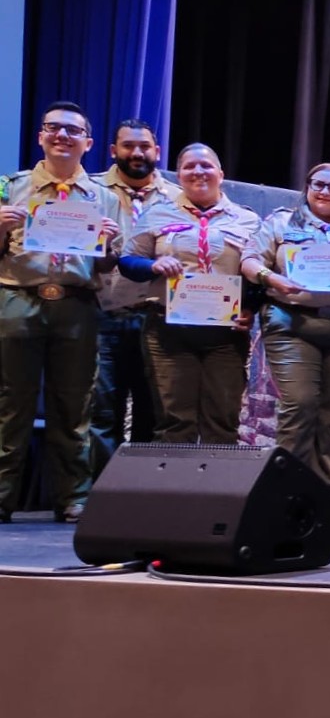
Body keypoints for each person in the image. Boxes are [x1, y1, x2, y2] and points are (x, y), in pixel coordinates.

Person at [0, 102, 125, 523]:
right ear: (41, 137)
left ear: (88, 143)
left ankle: (74, 497)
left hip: (76, 304)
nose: (62, 135)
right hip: (17, 298)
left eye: (73, 131)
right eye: (53, 127)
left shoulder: (104, 198)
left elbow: (106, 265)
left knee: (74, 406)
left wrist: (106, 243)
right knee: (9, 403)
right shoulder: (8, 186)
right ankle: (1, 496)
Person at [118, 143, 260, 446]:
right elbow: (128, 262)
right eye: (189, 166)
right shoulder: (158, 213)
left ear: (221, 174)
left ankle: (217, 479)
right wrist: (153, 265)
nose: (198, 171)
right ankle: (172, 479)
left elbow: (259, 272)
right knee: (174, 423)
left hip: (225, 335)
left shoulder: (246, 219)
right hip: (169, 331)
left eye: (206, 165)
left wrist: (250, 308)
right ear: (179, 175)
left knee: (221, 423)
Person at [241, 162, 330, 487]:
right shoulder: (282, 221)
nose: (325, 191)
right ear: (308, 187)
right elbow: (250, 260)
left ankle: (323, 490)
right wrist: (272, 279)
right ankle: (288, 489)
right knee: (300, 404)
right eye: (318, 184)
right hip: (292, 323)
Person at [91, 119, 181, 470]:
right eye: (128, 146)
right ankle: (102, 490)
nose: (137, 152)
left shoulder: (179, 198)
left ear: (157, 151)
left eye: (144, 146)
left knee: (154, 410)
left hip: (158, 318)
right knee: (101, 412)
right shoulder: (90, 191)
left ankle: (140, 489)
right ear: (113, 151)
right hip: (103, 314)